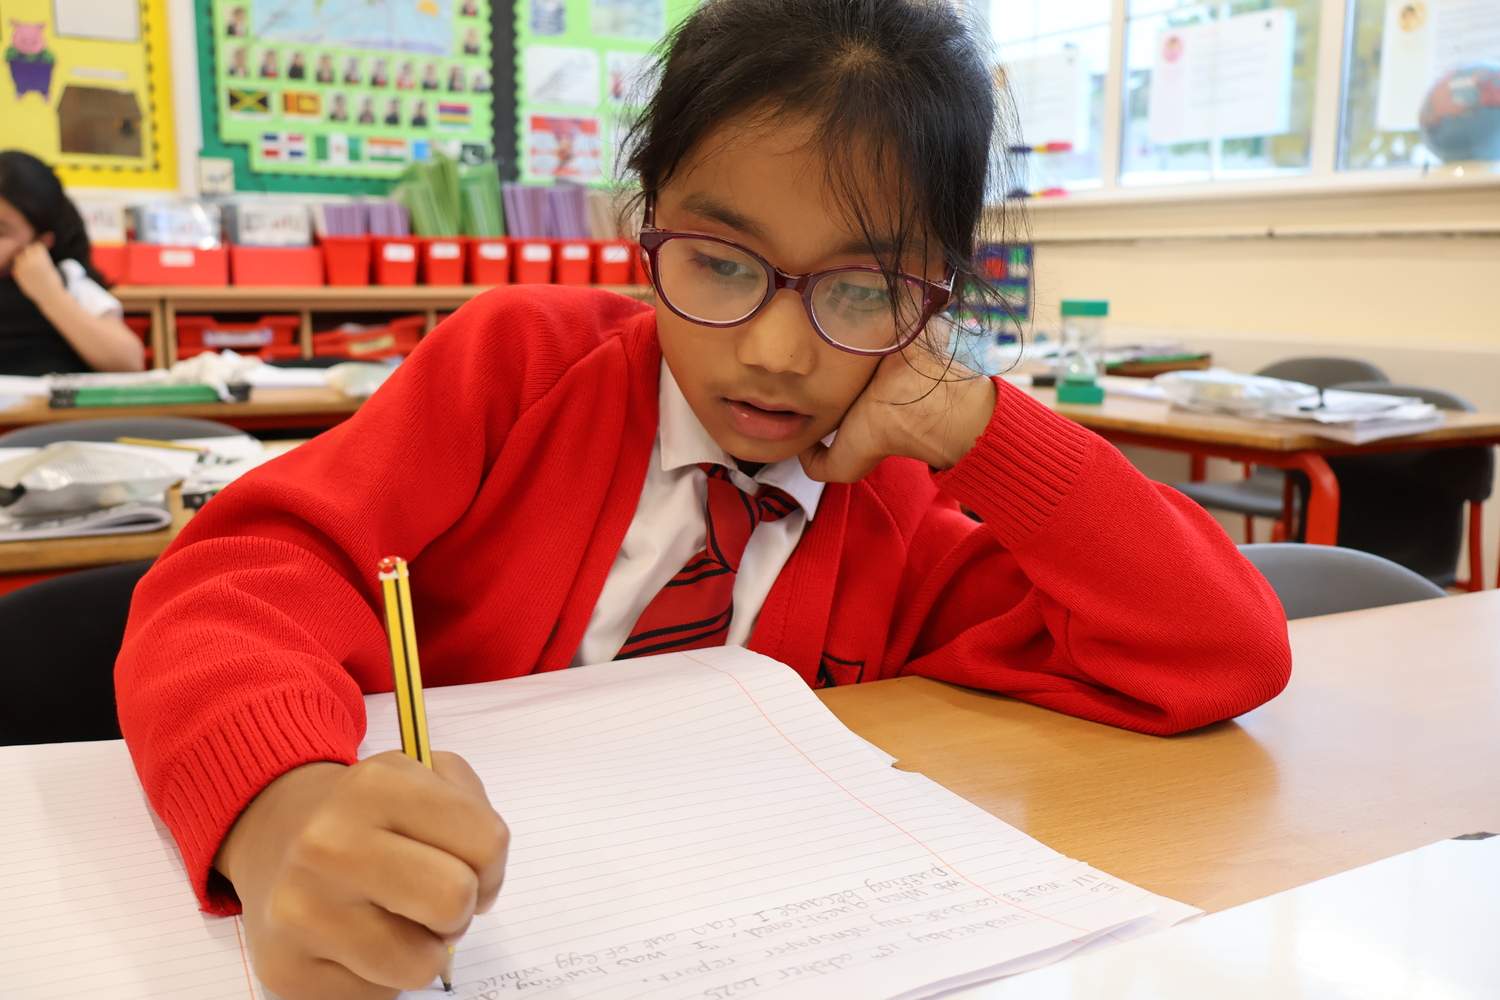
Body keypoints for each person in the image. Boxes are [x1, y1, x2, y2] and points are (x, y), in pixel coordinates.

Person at [116, 1, 1291, 998]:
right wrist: (278, 804)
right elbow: (229, 582)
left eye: (865, 288)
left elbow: (1214, 648)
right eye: (721, 263)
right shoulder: (518, 372)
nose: (775, 351)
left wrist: (984, 427)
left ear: (937, 296)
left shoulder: (890, 516)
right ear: (646, 221)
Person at [0, 151, 144, 374]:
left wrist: (49, 293)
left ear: (40, 242)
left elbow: (129, 362)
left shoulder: (67, 281)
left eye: (1, 233)